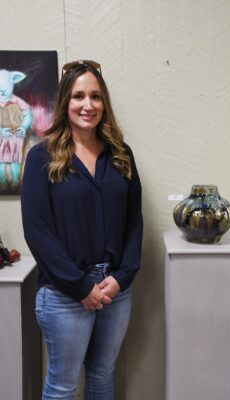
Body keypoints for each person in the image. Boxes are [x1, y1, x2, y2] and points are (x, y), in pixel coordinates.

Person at [21, 59, 143, 400]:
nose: (87, 105)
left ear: (104, 103)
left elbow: (135, 220)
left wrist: (123, 276)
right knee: (63, 384)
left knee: (103, 375)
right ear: (65, 102)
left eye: (95, 96)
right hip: (64, 292)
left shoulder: (121, 155)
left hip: (115, 289)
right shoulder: (41, 157)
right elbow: (37, 231)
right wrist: (79, 286)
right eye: (78, 96)